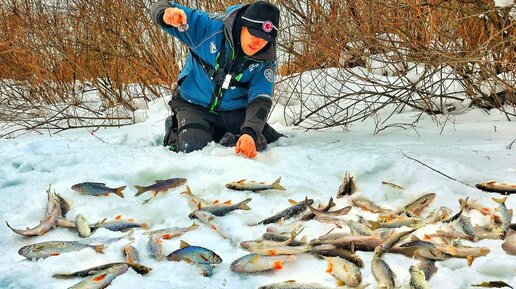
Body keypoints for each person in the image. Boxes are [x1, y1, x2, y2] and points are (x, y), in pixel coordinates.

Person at [151, 0, 285, 159]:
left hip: (232, 110)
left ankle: (224, 131)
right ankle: (176, 127)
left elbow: (261, 98)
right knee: (193, 149)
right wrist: (165, 14)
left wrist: (250, 133)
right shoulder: (207, 27)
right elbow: (161, 5)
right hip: (193, 104)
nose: (258, 42)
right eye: (254, 33)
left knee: (265, 141)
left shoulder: (266, 58)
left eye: (264, 38)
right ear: (243, 25)